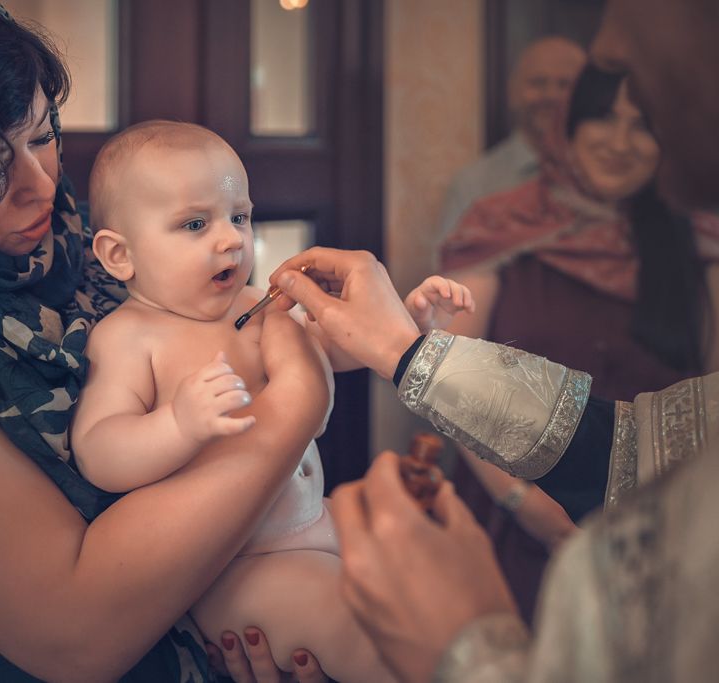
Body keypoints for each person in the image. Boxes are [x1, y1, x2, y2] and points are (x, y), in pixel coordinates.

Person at [0, 2, 336, 681]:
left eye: (41, 136)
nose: (40, 185)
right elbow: (76, 631)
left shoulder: (97, 255)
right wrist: (293, 410)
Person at [251, 1, 719, 680]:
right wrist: (403, 348)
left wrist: (469, 651)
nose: (610, 45)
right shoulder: (503, 218)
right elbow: (641, 444)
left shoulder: (683, 240)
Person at [71, 119, 474, 682]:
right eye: (194, 223)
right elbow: (99, 450)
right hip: (240, 568)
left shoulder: (256, 303)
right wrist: (178, 424)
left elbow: (334, 350)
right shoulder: (129, 337)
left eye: (239, 216)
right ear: (120, 255)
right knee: (359, 630)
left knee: (430, 588)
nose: (231, 238)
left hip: (318, 522)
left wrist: (409, 325)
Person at [439, 62, 718, 623]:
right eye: (603, 119)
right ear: (569, 125)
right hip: (510, 518)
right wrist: (530, 506)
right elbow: (447, 374)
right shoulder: (502, 222)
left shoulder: (698, 239)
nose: (620, 143)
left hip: (655, 537)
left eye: (641, 125)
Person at [437, 37, 586, 245]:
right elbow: (450, 269)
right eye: (538, 82)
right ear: (513, 92)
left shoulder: (607, 178)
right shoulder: (472, 185)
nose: (552, 95)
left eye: (565, 84)